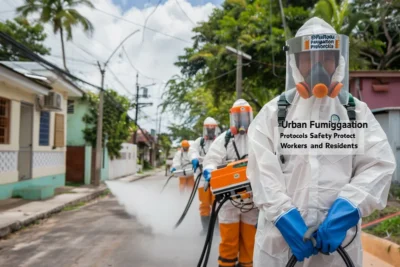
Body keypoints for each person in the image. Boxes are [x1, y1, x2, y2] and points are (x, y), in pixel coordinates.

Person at [247, 17, 396, 267]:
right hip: (281, 245)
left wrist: (348, 207)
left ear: (338, 60)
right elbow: (262, 172)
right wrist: (283, 215)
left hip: (339, 248)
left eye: (326, 56)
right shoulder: (274, 114)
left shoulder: (355, 112)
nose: (318, 65)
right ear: (295, 61)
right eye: (308, 57)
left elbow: (379, 164)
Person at [203, 99, 259, 267]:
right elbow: (211, 159)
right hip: (228, 199)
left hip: (252, 198)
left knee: (250, 240)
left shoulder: (258, 137)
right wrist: (209, 170)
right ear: (232, 118)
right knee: (229, 239)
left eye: (244, 116)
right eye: (238, 117)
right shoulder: (224, 139)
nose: (242, 121)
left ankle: (246, 264)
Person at [189, 117, 220, 235]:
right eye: (208, 129)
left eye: (213, 129)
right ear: (204, 129)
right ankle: (206, 228)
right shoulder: (199, 142)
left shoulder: (220, 141)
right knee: (204, 203)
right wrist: (194, 159)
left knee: (216, 203)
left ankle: (216, 228)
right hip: (202, 177)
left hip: (216, 175)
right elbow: (192, 151)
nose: (211, 131)